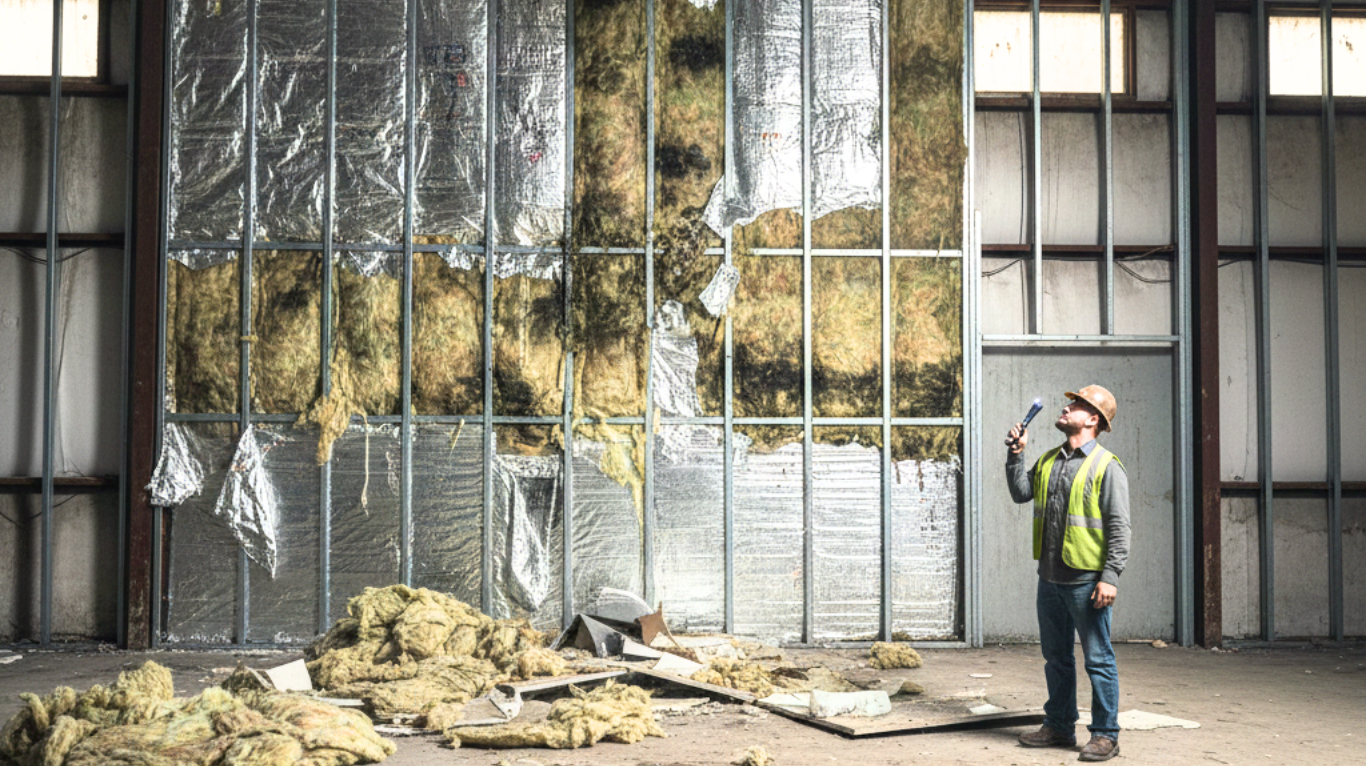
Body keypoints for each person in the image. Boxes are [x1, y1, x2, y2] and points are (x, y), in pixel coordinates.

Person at [1005, 385, 1130, 762]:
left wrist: (1110, 576)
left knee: (1098, 660)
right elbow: (1021, 492)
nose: (1066, 407)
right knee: (1056, 658)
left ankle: (1106, 735)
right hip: (1050, 579)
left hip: (1086, 582)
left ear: (1093, 419)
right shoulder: (1048, 460)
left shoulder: (1107, 466)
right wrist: (1016, 455)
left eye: (1075, 404)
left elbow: (1119, 527)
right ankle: (1059, 725)